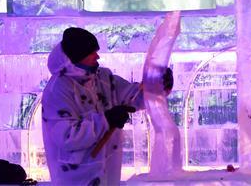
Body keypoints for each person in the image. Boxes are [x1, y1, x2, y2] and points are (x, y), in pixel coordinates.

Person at [41, 27, 174, 185]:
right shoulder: (58, 89)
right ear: (77, 57)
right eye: (91, 53)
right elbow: (67, 136)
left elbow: (133, 97)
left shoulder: (103, 77)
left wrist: (157, 86)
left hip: (108, 173)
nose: (97, 56)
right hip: (76, 176)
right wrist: (107, 119)